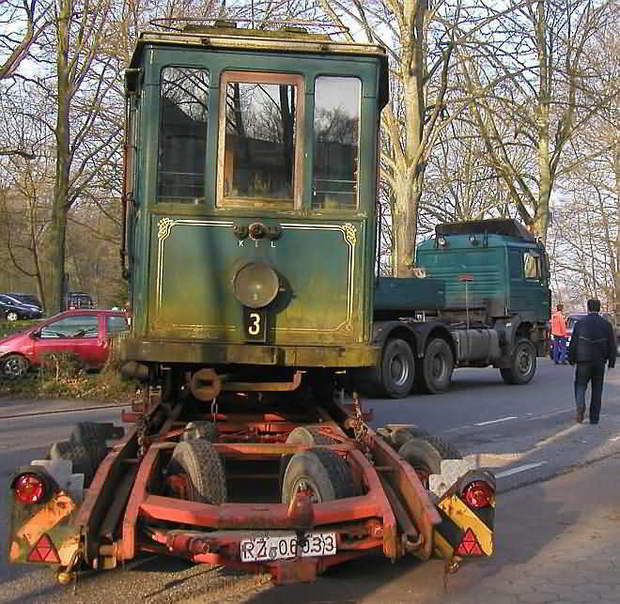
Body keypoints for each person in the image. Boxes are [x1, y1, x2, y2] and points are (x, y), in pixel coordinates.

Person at [568, 299, 616, 424]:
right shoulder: (606, 325)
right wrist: (611, 362)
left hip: (583, 360)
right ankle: (594, 417)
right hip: (599, 360)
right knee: (597, 389)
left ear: (588, 308)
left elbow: (574, 343)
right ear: (599, 309)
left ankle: (580, 405)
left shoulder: (580, 324)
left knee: (580, 385)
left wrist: (571, 359)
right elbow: (612, 344)